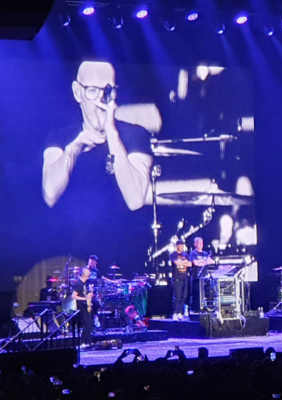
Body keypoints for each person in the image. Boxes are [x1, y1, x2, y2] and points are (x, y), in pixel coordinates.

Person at [42, 61, 153, 211]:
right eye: (92, 90)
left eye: (107, 91)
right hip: (70, 231)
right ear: (77, 92)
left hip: (124, 232)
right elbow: (50, 195)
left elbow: (135, 200)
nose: (100, 99)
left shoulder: (136, 134)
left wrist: (111, 132)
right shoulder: (60, 138)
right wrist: (73, 150)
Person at [189, 237, 215, 314]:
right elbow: (196, 263)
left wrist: (202, 262)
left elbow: (211, 261)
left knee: (205, 293)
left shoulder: (206, 253)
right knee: (196, 294)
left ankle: (204, 309)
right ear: (195, 244)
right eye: (199, 243)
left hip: (205, 278)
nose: (200, 245)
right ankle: (195, 310)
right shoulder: (193, 253)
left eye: (201, 243)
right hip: (196, 277)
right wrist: (204, 262)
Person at [170, 239, 192, 321]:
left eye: (183, 245)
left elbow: (190, 264)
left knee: (184, 296)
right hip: (177, 278)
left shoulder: (185, 254)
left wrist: (183, 262)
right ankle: (175, 313)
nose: (182, 247)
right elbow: (176, 263)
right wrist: (184, 262)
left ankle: (180, 313)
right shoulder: (173, 255)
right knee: (177, 297)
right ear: (177, 246)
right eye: (181, 245)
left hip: (185, 278)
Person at [72, 268, 94, 347]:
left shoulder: (84, 283)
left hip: (86, 305)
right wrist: (85, 298)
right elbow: (74, 296)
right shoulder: (79, 283)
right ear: (85, 274)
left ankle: (88, 342)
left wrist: (88, 296)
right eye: (88, 273)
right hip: (81, 306)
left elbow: (83, 294)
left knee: (90, 324)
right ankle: (82, 342)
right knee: (87, 324)